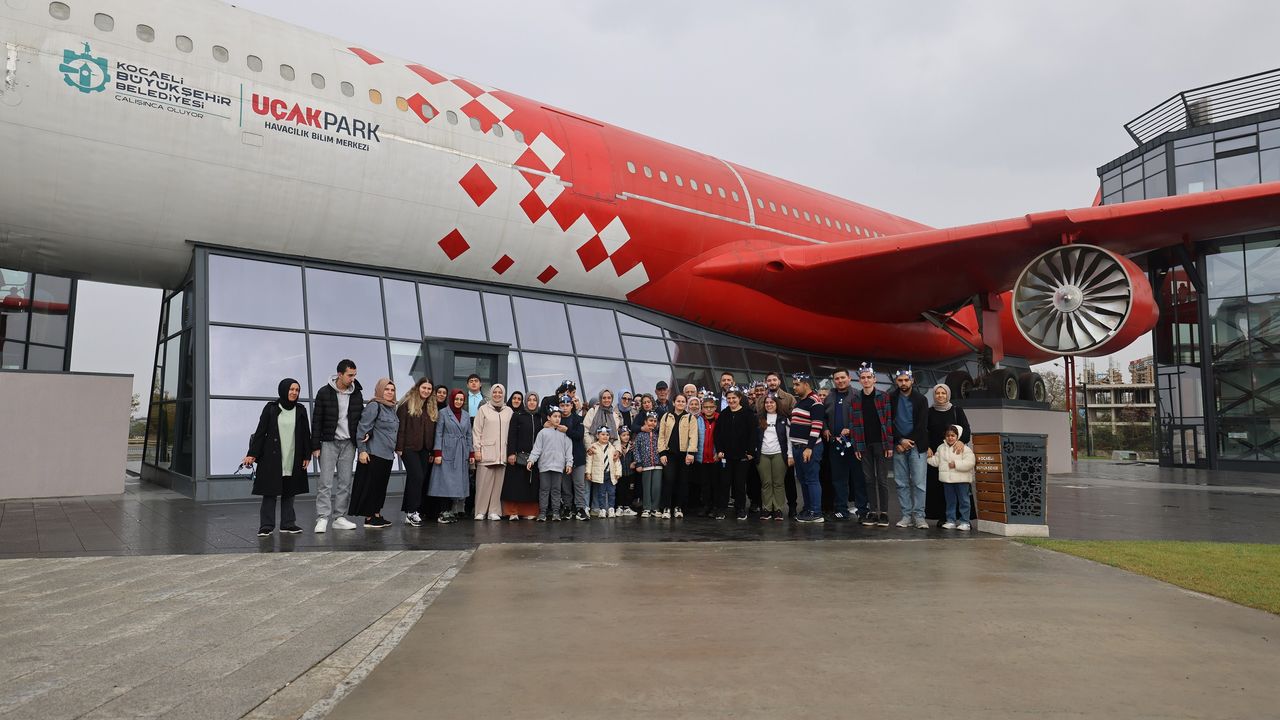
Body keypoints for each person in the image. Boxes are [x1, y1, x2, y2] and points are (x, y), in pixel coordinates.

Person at [243, 378, 312, 536]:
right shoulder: (271, 408)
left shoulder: (301, 409)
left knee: (290, 490)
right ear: (284, 390)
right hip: (272, 457)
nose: (294, 393)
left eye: (297, 390)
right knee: (270, 491)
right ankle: (266, 525)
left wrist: (306, 455)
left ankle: (288, 524)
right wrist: (252, 454)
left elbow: (305, 434)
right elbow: (260, 432)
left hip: (292, 456)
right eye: (291, 389)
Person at [310, 359, 363, 533]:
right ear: (340, 374)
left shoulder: (356, 394)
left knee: (345, 482)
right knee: (325, 482)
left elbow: (360, 418)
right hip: (328, 442)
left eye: (354, 375)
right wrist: (315, 445)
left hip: (348, 443)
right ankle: (322, 518)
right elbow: (316, 420)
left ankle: (339, 517)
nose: (353, 378)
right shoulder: (324, 392)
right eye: (350, 375)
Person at [346, 378, 400, 529]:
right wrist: (362, 451)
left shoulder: (391, 408)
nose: (390, 392)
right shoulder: (374, 406)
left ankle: (376, 514)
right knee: (371, 487)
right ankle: (369, 518)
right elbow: (362, 428)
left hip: (387, 454)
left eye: (392, 390)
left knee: (380, 487)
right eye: (386, 389)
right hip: (373, 453)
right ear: (380, 390)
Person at [852, 363, 894, 528]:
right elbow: (854, 424)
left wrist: (889, 445)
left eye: (869, 377)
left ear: (874, 379)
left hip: (881, 444)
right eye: (863, 378)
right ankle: (873, 511)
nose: (866, 380)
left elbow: (888, 422)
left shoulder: (883, 397)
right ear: (860, 381)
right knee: (868, 480)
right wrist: (857, 446)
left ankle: (884, 513)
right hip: (864, 444)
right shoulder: (856, 398)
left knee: (882, 480)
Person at [823, 368, 866, 521]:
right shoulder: (829, 397)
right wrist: (825, 428)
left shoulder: (858, 395)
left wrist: (851, 429)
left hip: (854, 445)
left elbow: (863, 418)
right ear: (834, 380)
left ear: (849, 378)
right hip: (835, 444)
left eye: (842, 377)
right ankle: (841, 510)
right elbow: (823, 417)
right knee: (838, 479)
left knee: (858, 478)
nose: (840, 381)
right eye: (837, 378)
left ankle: (862, 510)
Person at [926, 383, 971, 525]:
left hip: (956, 453)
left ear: (948, 395)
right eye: (937, 393)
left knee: (960, 489)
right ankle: (944, 517)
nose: (940, 395)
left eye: (943, 393)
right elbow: (925, 431)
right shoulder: (929, 412)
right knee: (940, 488)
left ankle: (963, 519)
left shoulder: (957, 410)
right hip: (937, 454)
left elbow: (966, 429)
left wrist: (962, 441)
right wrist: (927, 447)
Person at [891, 368, 930, 529]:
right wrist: (900, 441)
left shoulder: (921, 399)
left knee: (919, 483)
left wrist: (908, 442)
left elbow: (922, 424)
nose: (903, 383)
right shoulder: (891, 398)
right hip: (898, 446)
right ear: (896, 381)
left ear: (912, 381)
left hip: (917, 446)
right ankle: (906, 516)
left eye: (906, 380)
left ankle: (919, 517)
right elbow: (888, 422)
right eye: (900, 380)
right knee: (901, 483)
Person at [395, 377, 437, 527]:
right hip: (409, 448)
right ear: (418, 387)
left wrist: (432, 451)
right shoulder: (407, 403)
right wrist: (399, 447)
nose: (426, 391)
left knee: (417, 478)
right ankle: (412, 511)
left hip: (425, 448)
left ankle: (410, 511)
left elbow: (433, 431)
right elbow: (401, 427)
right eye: (424, 387)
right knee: (417, 477)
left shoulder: (431, 405)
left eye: (429, 389)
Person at [431, 389, 475, 523]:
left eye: (461, 399)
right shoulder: (443, 413)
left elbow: (469, 435)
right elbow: (438, 433)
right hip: (446, 450)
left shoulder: (466, 415)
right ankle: (442, 511)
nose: (459, 401)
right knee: (445, 481)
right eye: (457, 399)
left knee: (456, 482)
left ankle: (450, 510)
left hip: (461, 452)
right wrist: (437, 452)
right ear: (452, 399)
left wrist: (471, 452)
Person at [714, 387, 757, 520]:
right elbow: (717, 434)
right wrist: (719, 450)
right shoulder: (724, 414)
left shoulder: (748, 413)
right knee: (724, 483)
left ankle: (740, 509)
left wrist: (750, 451)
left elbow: (753, 434)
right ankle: (721, 509)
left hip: (742, 456)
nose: (731, 400)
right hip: (726, 456)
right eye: (729, 398)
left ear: (739, 398)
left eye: (734, 398)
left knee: (739, 484)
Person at [472, 383, 512, 520]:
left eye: (500, 392)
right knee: (483, 484)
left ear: (503, 394)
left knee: (498, 485)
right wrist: (477, 449)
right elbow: (476, 431)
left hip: (502, 453)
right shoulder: (483, 409)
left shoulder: (509, 411)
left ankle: (493, 511)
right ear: (491, 393)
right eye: (495, 392)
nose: (497, 395)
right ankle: (480, 511)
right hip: (486, 452)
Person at [790, 373, 826, 523]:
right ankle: (808, 508)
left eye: (797, 384)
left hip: (809, 448)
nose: (794, 387)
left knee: (811, 479)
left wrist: (809, 447)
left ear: (806, 384)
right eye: (793, 384)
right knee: (803, 480)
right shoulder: (800, 402)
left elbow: (817, 426)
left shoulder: (815, 401)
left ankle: (816, 512)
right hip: (798, 447)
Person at [526, 407, 573, 522]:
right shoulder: (543, 432)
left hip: (558, 466)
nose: (557, 419)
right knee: (544, 489)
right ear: (548, 418)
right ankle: (543, 512)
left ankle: (556, 512)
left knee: (556, 490)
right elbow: (537, 448)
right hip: (545, 466)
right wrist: (531, 460)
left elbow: (568, 450)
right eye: (554, 416)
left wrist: (569, 463)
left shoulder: (564, 433)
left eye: (559, 417)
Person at [927, 425, 975, 531]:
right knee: (950, 501)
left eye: (953, 435)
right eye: (948, 435)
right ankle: (951, 520)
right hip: (947, 481)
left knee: (964, 501)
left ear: (957, 436)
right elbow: (936, 461)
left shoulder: (964, 448)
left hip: (962, 480)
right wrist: (928, 458)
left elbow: (970, 463)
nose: (950, 438)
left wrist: (956, 464)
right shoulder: (941, 448)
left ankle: (965, 522)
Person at [657, 392, 696, 519]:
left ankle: (678, 507)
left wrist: (691, 453)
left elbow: (693, 437)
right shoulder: (666, 416)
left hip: (684, 455)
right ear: (673, 403)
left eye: (683, 401)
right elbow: (661, 436)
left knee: (682, 481)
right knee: (669, 480)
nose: (680, 403)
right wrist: (662, 453)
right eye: (678, 401)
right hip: (670, 454)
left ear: (686, 404)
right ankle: (667, 507)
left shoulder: (690, 418)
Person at [503, 390, 540, 520]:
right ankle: (513, 512)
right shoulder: (518, 415)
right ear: (525, 401)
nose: (532, 402)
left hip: (534, 458)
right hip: (518, 456)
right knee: (515, 485)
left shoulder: (539, 417)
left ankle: (528, 512)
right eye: (529, 400)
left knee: (530, 486)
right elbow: (512, 435)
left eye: (534, 400)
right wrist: (511, 453)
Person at [755, 393, 791, 521]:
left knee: (778, 483)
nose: (769, 405)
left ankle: (778, 509)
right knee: (766, 483)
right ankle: (767, 509)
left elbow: (789, 439)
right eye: (767, 402)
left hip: (779, 454)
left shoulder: (784, 419)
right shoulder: (759, 418)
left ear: (777, 404)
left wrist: (790, 455)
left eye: (771, 402)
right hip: (763, 454)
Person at [585, 426, 623, 517]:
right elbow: (589, 461)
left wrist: (618, 472)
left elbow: (617, 461)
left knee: (611, 492)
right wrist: (588, 472)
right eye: (602, 434)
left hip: (611, 474)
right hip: (600, 474)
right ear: (597, 436)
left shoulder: (612, 448)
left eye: (607, 435)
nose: (605, 436)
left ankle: (611, 508)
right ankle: (602, 509)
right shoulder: (594, 447)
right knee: (601, 493)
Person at [692, 393, 719, 516]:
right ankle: (706, 506)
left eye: (711, 407)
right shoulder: (698, 420)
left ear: (715, 408)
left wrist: (718, 452)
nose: (708, 409)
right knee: (704, 484)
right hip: (702, 457)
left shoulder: (720, 419)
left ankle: (715, 507)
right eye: (706, 407)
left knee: (715, 484)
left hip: (715, 457)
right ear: (702, 408)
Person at [633, 411, 662, 517]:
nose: (652, 423)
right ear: (645, 422)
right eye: (650, 420)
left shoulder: (659, 435)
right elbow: (636, 449)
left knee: (656, 487)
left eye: (655, 421)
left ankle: (655, 508)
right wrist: (638, 463)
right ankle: (646, 508)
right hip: (645, 465)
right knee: (646, 487)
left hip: (658, 465)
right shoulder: (640, 435)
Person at [616, 427, 639, 516]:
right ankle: (619, 507)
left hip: (630, 473)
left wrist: (634, 462)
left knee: (629, 490)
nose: (626, 437)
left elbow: (637, 456)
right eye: (623, 435)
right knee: (620, 490)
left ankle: (627, 507)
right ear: (619, 436)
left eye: (628, 435)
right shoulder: (617, 447)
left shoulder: (632, 446)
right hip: (620, 473)